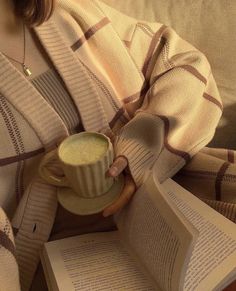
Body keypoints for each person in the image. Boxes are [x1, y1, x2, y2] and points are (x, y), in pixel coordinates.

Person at [0, 0, 225, 290]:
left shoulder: (73, 14)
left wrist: (140, 152)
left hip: (172, 208)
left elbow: (185, 63)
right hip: (50, 267)